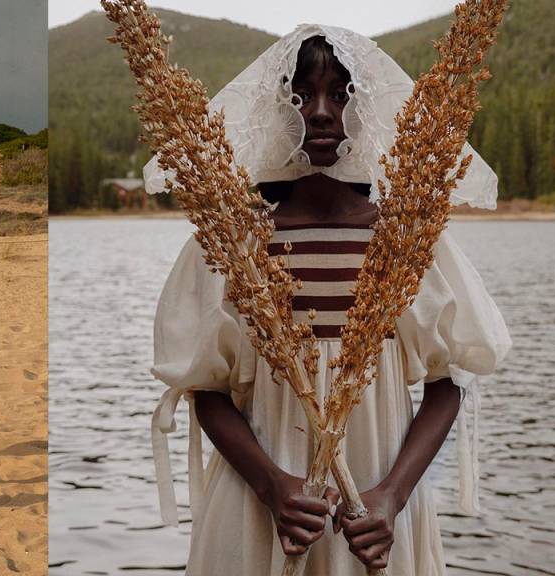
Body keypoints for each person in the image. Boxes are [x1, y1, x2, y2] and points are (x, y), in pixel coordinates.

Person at [147, 28, 511, 574]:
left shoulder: (404, 241)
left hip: (379, 509)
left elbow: (447, 382)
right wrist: (273, 486)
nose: (320, 112)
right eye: (301, 95)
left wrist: (392, 495)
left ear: (366, 110)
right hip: (258, 504)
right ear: (277, 111)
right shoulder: (236, 243)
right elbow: (207, 388)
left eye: (340, 94)